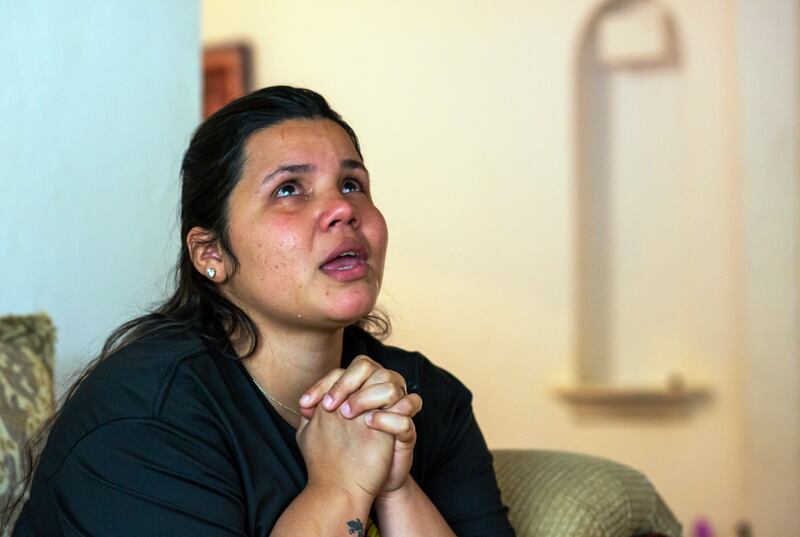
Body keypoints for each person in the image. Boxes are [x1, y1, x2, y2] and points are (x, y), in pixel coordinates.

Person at [7, 87, 514, 536]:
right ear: (212, 255)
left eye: (352, 184)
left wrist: (396, 490)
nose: (343, 208)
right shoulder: (145, 413)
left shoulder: (424, 398)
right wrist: (339, 488)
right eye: (289, 189)